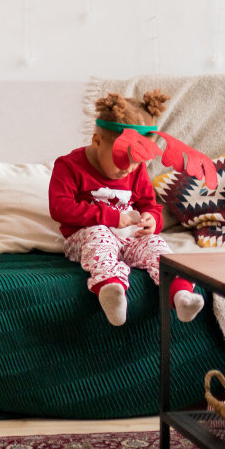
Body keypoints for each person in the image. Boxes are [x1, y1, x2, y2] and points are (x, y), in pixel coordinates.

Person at [48, 91, 205, 327]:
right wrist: (112, 218)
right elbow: (60, 207)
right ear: (97, 141)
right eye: (122, 159)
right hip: (86, 238)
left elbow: (150, 205)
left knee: (158, 245)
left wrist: (152, 220)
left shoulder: (136, 171)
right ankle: (111, 290)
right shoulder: (69, 166)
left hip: (130, 238)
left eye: (137, 161)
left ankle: (181, 296)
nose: (129, 169)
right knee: (99, 234)